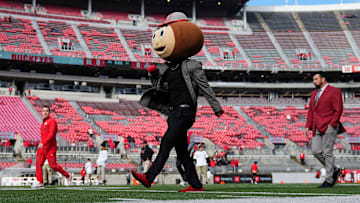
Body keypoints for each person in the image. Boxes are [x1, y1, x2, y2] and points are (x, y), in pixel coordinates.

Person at [132, 11, 223, 193]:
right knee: (182, 152)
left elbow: (205, 86)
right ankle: (196, 185)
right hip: (173, 113)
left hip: (186, 111)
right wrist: (152, 75)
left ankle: (149, 177)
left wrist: (216, 107)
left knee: (166, 143)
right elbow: (159, 88)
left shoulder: (192, 66)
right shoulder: (166, 67)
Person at [305, 73, 345, 188]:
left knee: (327, 151)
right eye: (313, 79)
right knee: (316, 151)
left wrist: (333, 123)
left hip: (329, 124)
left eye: (316, 79)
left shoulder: (334, 91)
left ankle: (329, 179)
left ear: (323, 79)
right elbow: (312, 111)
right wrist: (308, 126)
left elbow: (338, 108)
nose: (314, 81)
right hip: (317, 125)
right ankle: (334, 169)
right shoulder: (314, 94)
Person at [32, 105, 71, 189]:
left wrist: (43, 142)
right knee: (38, 163)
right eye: (43, 111)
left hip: (50, 147)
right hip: (43, 147)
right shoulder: (42, 123)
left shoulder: (52, 121)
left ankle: (67, 176)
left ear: (49, 112)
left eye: (46, 111)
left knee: (53, 165)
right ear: (42, 112)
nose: (45, 112)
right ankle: (39, 182)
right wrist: (41, 143)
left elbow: (52, 134)